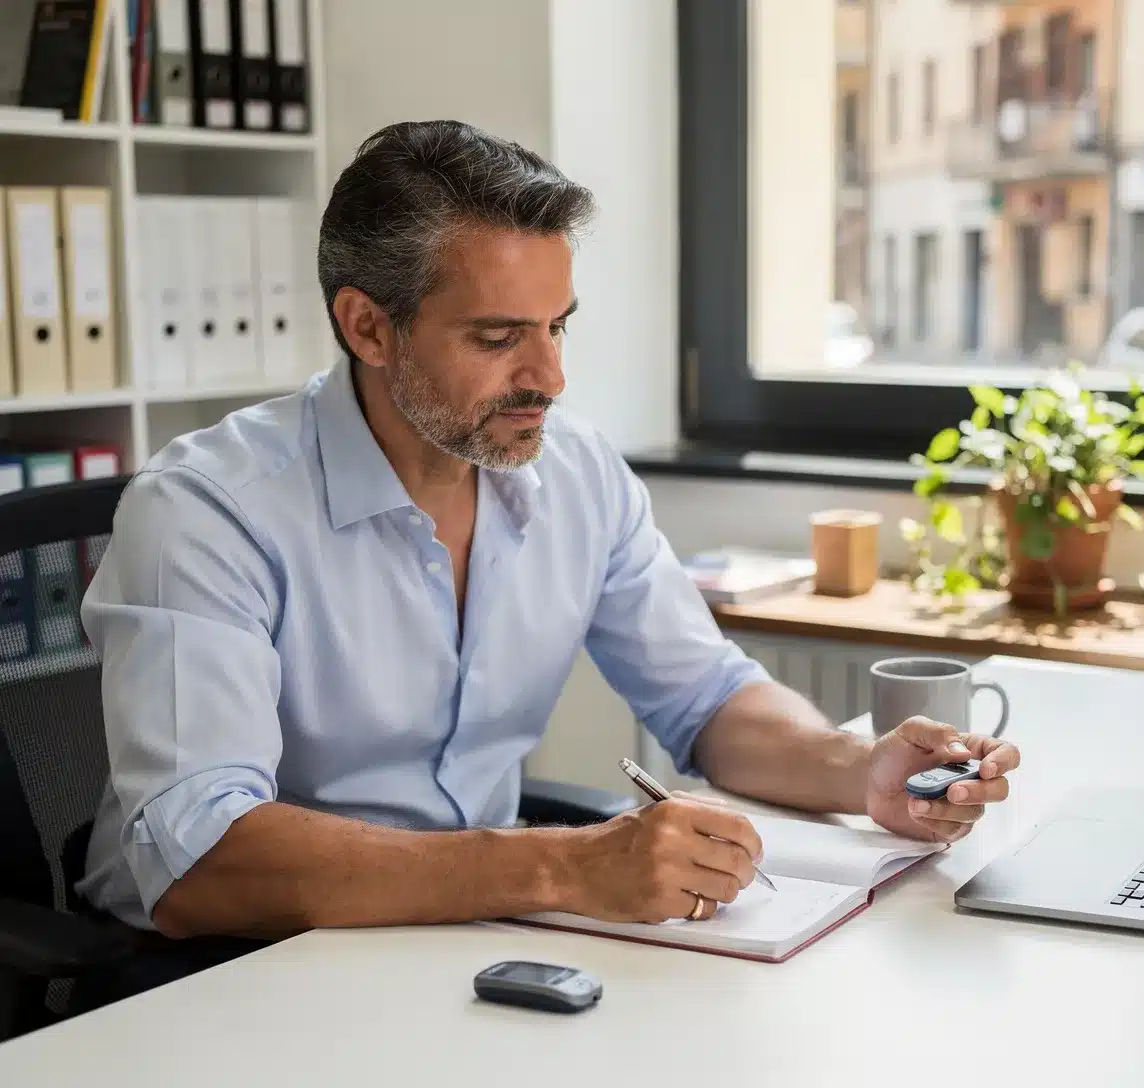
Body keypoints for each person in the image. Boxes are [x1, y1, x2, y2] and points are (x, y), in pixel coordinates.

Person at [75, 121, 1020, 980]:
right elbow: (200, 862)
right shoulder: (206, 511)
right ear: (367, 326)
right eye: (498, 338)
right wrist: (565, 865)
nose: (551, 378)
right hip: (235, 970)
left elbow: (709, 699)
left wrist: (856, 772)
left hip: (466, 937)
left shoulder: (576, 474)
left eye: (558, 327)